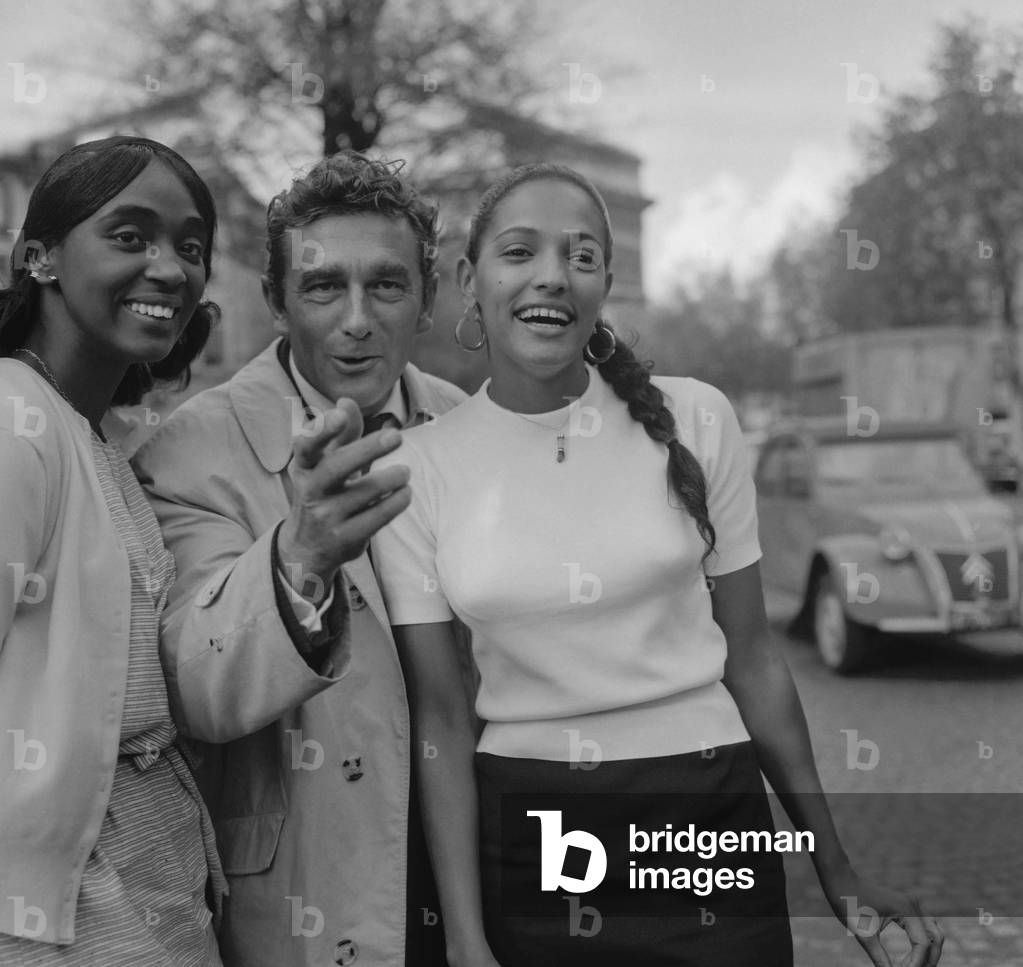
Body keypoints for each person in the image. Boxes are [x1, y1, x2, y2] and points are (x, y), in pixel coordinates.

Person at [370, 163, 946, 967]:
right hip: (535, 841)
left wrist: (838, 870)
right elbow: (441, 721)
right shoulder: (414, 469)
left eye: (580, 255)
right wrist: (465, 940)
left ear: (605, 283)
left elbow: (753, 660)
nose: (551, 276)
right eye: (519, 251)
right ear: (470, 280)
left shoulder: (697, 420)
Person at [132, 151, 467, 967]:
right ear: (277, 302)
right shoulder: (187, 453)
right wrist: (302, 553)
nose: (356, 319)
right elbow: (196, 688)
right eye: (322, 287)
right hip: (313, 894)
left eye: (386, 285)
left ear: (425, 299)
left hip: (469, 874)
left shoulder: (468, 429)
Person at [0, 135, 225, 966]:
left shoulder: (94, 436)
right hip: (54, 917)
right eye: (130, 236)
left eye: (191, 248)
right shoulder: (16, 422)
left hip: (145, 889)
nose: (170, 269)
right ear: (41, 258)